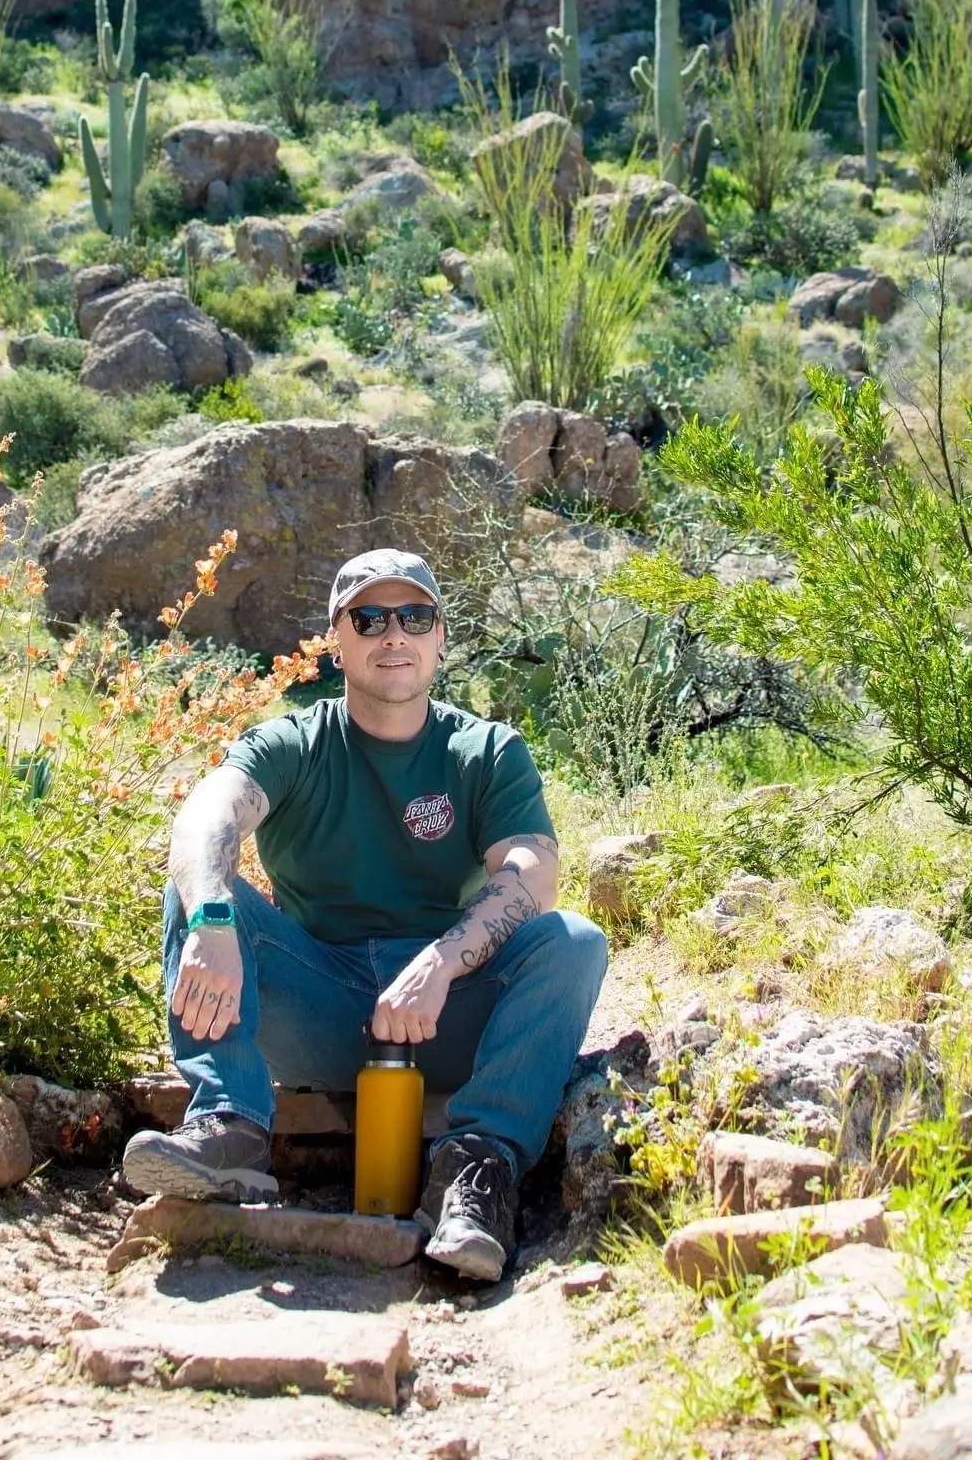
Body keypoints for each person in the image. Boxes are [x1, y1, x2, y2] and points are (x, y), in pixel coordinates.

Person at [122, 548, 608, 1282]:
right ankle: (227, 1127)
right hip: (319, 1005)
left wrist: (442, 962)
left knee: (571, 939)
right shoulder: (293, 743)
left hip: (443, 1011)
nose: (394, 635)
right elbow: (204, 818)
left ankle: (476, 1173)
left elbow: (531, 874)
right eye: (369, 617)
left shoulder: (483, 751)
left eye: (414, 616)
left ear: (440, 637)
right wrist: (213, 920)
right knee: (199, 888)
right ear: (335, 641)